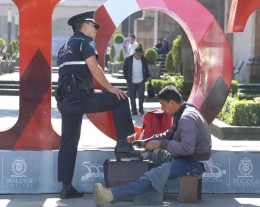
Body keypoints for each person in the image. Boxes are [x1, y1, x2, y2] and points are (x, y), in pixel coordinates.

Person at [56, 11, 141, 200]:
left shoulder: (64, 47)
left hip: (65, 102)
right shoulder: (85, 42)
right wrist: (111, 88)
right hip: (81, 98)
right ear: (85, 26)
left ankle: (66, 187)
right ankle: (123, 145)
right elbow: (94, 67)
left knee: (68, 143)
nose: (96, 30)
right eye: (94, 26)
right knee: (120, 99)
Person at [93, 85, 213, 207]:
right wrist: (146, 142)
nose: (162, 108)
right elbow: (169, 134)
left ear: (172, 102)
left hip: (195, 162)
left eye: (163, 105)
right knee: (154, 155)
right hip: (186, 156)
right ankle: (138, 187)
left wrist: (161, 144)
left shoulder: (186, 118)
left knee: (157, 174)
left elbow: (187, 148)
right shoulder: (182, 110)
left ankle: (110, 195)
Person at [123, 47, 151, 115]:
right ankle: (134, 110)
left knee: (141, 95)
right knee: (132, 97)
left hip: (141, 81)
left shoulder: (144, 60)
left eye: (141, 55)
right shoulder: (128, 59)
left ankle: (141, 109)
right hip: (131, 81)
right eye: (139, 55)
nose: (140, 56)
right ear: (135, 54)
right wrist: (126, 77)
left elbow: (146, 69)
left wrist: (148, 76)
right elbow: (124, 69)